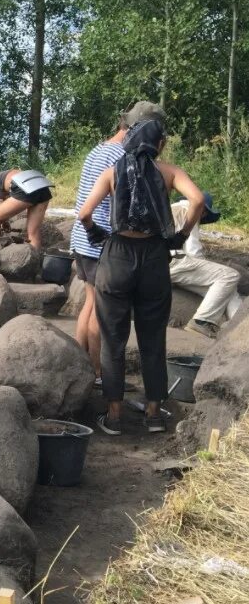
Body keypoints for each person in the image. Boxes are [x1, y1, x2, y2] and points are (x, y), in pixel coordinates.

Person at [78, 119, 205, 436]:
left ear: (127, 143)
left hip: (117, 256)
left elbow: (84, 214)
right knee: (153, 340)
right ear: (159, 145)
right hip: (154, 258)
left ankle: (114, 416)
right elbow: (198, 200)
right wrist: (180, 235)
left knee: (113, 340)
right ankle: (153, 415)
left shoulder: (111, 173)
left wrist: (97, 235)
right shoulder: (169, 172)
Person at [70, 101, 167, 385]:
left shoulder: (99, 149)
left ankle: (80, 368)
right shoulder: (121, 156)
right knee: (102, 315)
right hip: (103, 241)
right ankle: (100, 374)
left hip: (81, 237)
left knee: (89, 305)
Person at [169, 193, 243, 338]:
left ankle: (240, 327)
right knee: (230, 275)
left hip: (156, 264)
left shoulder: (171, 209)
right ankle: (201, 322)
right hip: (172, 261)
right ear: (203, 210)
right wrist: (210, 268)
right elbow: (193, 251)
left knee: (227, 289)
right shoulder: (189, 210)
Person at [0, 170, 51, 250]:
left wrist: (0, 220)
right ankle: (35, 257)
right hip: (41, 184)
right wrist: (4, 220)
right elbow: (7, 202)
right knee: (33, 233)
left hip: (24, 186)